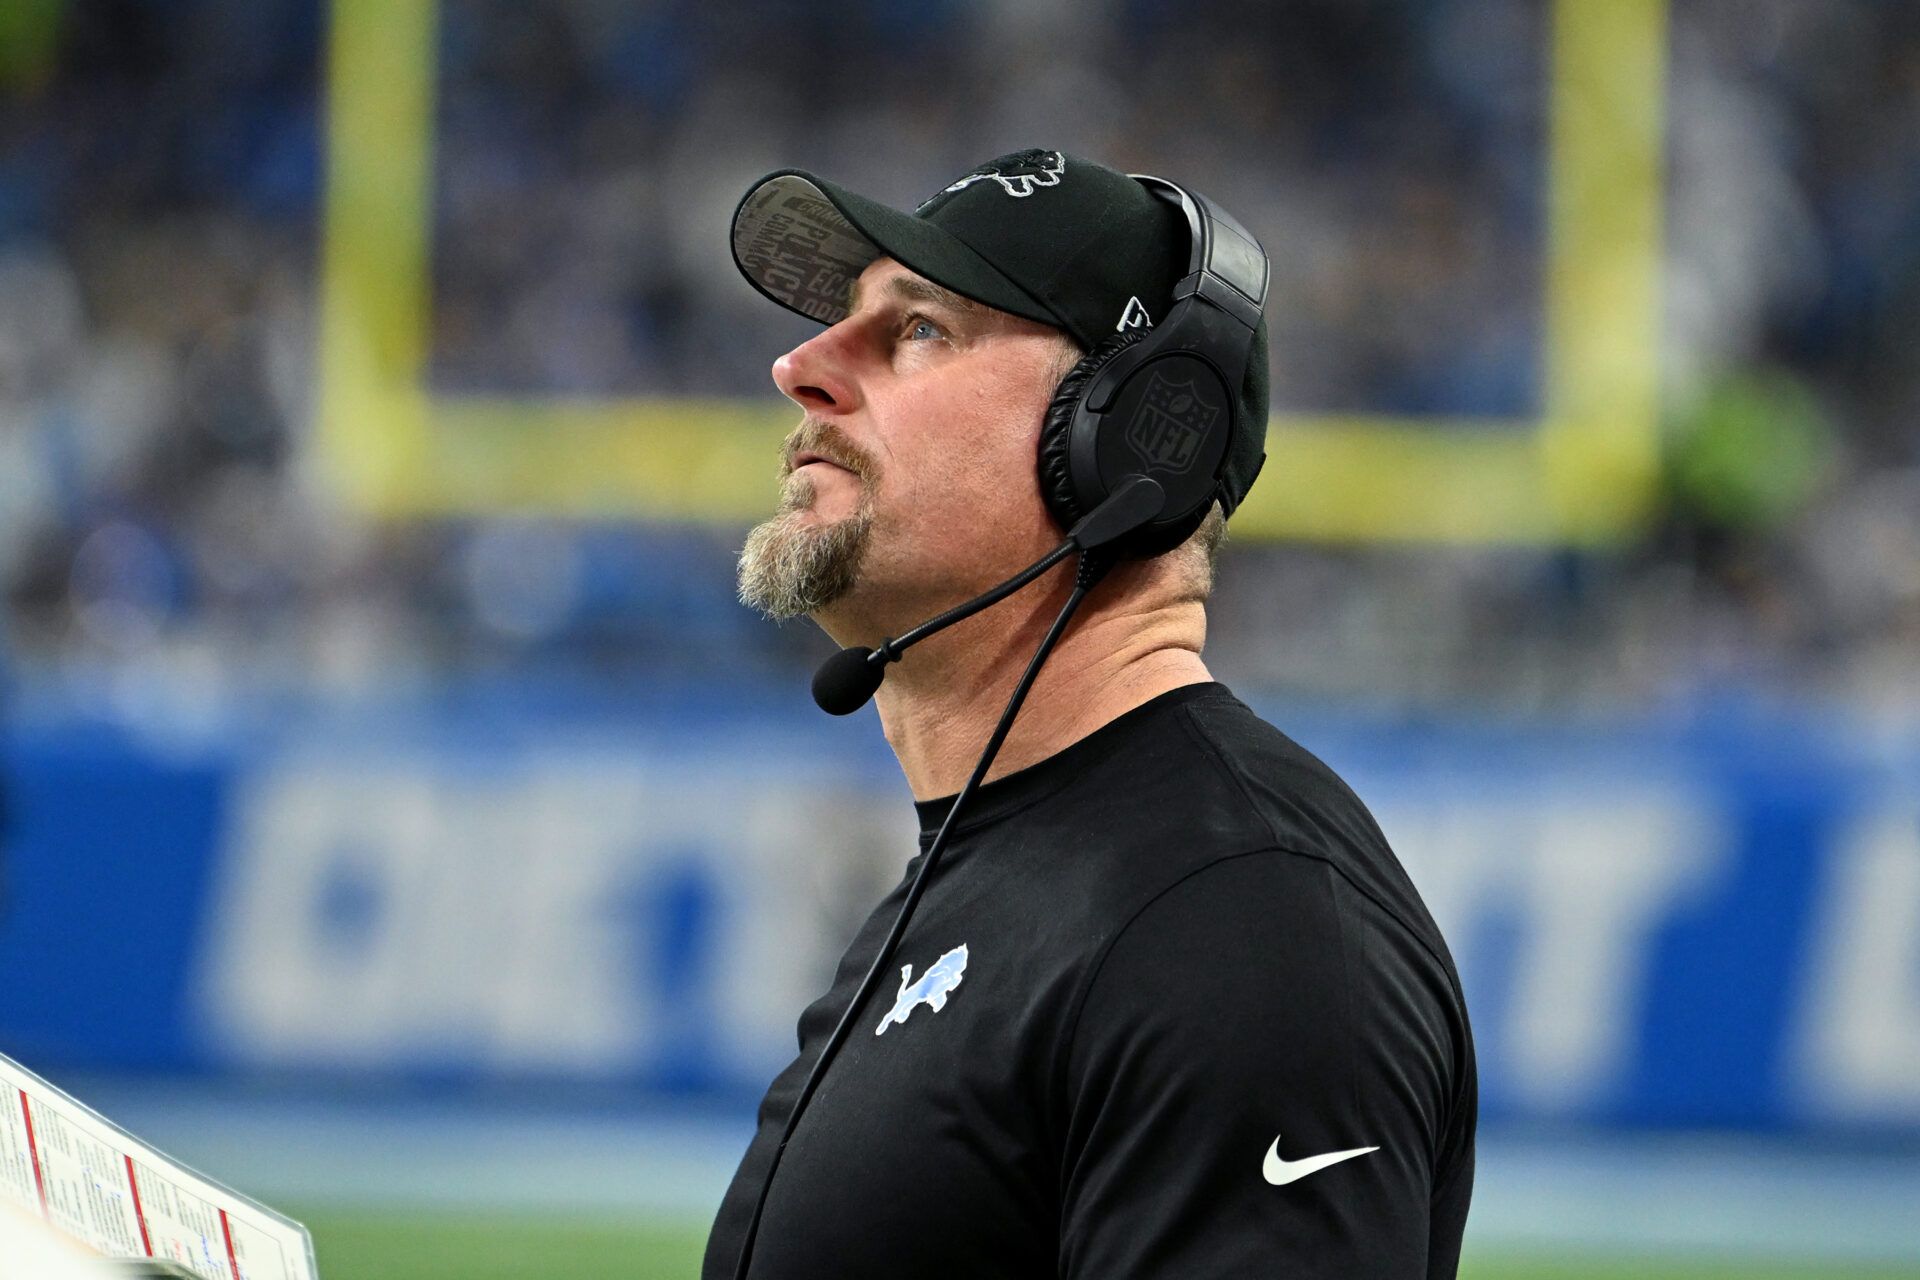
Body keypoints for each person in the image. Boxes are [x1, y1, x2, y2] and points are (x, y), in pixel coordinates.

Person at [704, 149, 1476, 1279]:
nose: (800, 365)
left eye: (918, 329)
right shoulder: (1010, 877)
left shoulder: (1242, 928)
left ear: (1135, 435)